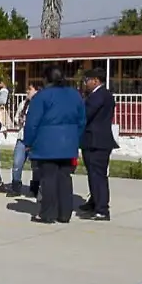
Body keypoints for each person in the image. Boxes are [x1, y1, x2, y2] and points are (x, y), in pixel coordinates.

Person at [22, 67, 87, 223]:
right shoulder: (74, 95)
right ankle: (65, 214)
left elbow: (32, 123)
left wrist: (29, 142)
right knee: (65, 178)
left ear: (46, 79)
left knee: (48, 178)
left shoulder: (42, 96)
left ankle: (48, 213)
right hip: (68, 142)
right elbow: (82, 120)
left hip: (47, 143)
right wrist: (74, 139)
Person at [79, 69, 118, 221]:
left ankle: (102, 208)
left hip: (97, 141)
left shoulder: (99, 95)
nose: (85, 83)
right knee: (92, 174)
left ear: (95, 80)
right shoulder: (99, 95)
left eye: (86, 80)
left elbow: (86, 113)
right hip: (92, 140)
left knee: (98, 175)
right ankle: (94, 201)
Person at [8, 79, 42, 197]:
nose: (27, 91)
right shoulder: (23, 104)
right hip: (22, 137)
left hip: (36, 139)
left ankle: (35, 187)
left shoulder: (41, 104)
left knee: (36, 166)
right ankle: (16, 186)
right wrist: (20, 120)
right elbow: (16, 118)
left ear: (37, 91)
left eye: (30, 89)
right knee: (17, 163)